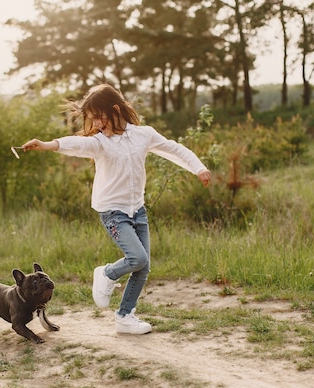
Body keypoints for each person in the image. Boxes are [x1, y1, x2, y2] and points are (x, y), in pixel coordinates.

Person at [22, 84, 211, 335]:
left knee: (143, 268)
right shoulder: (100, 142)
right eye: (93, 120)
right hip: (113, 211)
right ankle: (107, 273)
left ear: (114, 109)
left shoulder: (143, 134)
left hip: (138, 210)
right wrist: (47, 144)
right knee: (138, 258)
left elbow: (173, 148)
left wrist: (198, 167)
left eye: (99, 117)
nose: (97, 125)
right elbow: (75, 144)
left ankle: (124, 316)